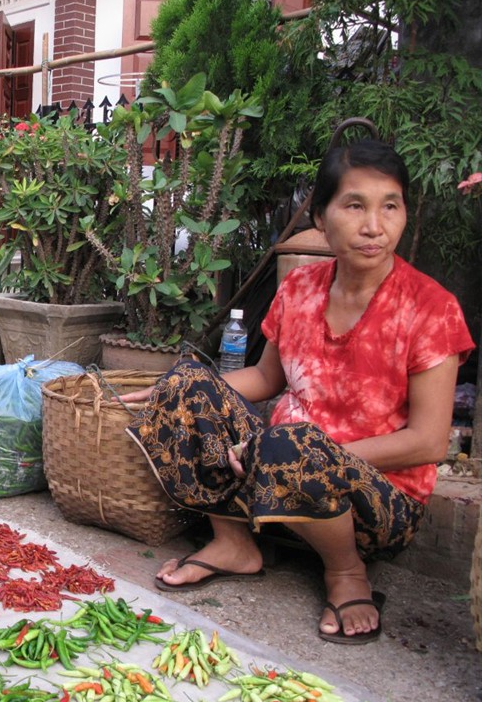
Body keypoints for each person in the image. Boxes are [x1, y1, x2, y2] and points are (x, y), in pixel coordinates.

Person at [119, 140, 474, 644]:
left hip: (374, 503)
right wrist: (176, 391)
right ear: (323, 218)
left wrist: (312, 456)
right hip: (274, 476)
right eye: (355, 206)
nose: (374, 226)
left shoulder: (431, 308)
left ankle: (346, 572)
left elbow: (428, 443)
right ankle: (233, 541)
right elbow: (267, 379)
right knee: (187, 383)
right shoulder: (301, 288)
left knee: (291, 442)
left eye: (390, 206)